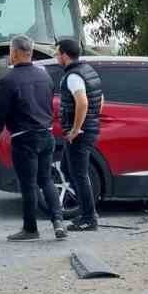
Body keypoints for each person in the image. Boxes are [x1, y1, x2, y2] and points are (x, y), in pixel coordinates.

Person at [0, 35, 67, 242]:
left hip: (24, 138)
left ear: (14, 53)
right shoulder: (45, 77)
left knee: (28, 184)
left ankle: (30, 229)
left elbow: (0, 112)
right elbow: (49, 103)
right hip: (47, 134)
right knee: (46, 179)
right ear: (30, 52)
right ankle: (59, 222)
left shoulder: (8, 80)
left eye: (10, 53)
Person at [55, 38, 102, 232]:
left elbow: (82, 102)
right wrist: (92, 119)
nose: (56, 57)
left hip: (80, 133)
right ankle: (87, 210)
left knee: (80, 174)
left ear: (65, 55)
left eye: (58, 53)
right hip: (87, 129)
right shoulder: (88, 71)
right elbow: (99, 98)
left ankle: (89, 218)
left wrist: (76, 129)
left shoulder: (73, 76)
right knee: (67, 168)